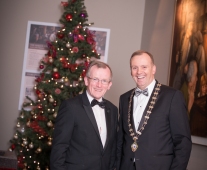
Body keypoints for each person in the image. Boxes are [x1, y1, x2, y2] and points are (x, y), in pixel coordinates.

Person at [116, 50, 192, 170]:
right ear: (131, 71)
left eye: (144, 67)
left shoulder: (172, 96)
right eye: (134, 67)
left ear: (153, 69)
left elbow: (183, 142)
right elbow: (120, 140)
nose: (139, 72)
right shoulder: (124, 98)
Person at [50, 60, 118, 170]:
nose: (99, 85)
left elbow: (112, 148)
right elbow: (59, 149)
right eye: (95, 79)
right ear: (86, 80)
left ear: (109, 85)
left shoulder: (113, 110)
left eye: (104, 81)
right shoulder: (70, 107)